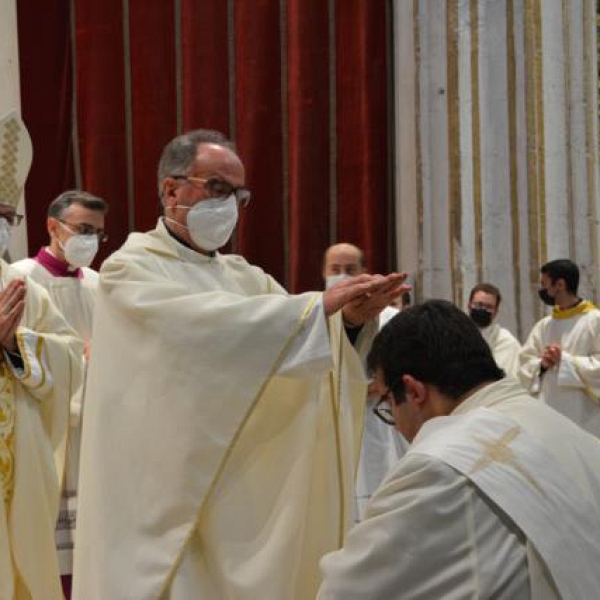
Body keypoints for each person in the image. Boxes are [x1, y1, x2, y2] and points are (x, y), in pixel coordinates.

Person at [72, 129, 407, 600]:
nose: (229, 204)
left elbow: (304, 348)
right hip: (166, 505)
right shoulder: (131, 270)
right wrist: (317, 309)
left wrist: (348, 323)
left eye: (239, 194)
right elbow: (198, 332)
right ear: (171, 189)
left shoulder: (245, 277)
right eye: (217, 188)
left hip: (236, 501)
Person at [318, 299, 600, 599]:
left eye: (387, 404)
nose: (395, 424)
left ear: (413, 391)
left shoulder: (437, 468)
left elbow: (346, 592)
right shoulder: (578, 437)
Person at [0, 111, 84, 599]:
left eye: (6, 218)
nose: (4, 228)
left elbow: (70, 355)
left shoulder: (20, 284)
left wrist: (18, 345)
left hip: (22, 460)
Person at [11, 189, 109, 597]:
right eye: (83, 229)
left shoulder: (101, 285)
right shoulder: (20, 278)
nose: (91, 240)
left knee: (95, 545)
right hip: (44, 428)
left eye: (99, 234)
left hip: (96, 430)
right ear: (54, 226)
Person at [323, 243, 407, 521]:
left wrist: (383, 385)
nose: (343, 275)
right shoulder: (311, 318)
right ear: (324, 273)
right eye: (336, 269)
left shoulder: (391, 319)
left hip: (380, 422)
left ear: (364, 272)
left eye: (350, 269)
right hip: (330, 422)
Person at [519, 259, 600, 437]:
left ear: (560, 284)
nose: (543, 290)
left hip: (585, 418)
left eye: (545, 284)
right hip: (548, 414)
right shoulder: (545, 325)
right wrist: (542, 364)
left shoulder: (595, 320)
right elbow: (524, 363)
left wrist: (565, 361)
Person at [467, 282, 521, 378]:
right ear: (469, 305)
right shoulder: (455, 336)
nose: (482, 309)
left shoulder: (507, 342)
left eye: (488, 307)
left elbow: (510, 379)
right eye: (478, 304)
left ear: (495, 312)